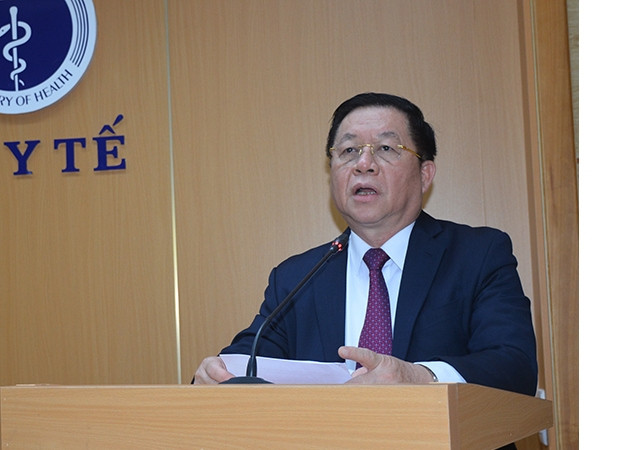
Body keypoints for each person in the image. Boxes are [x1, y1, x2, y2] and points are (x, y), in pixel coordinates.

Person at [193, 92, 538, 397]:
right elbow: (249, 360)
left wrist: (419, 377)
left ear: (425, 174)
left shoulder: (477, 255)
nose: (363, 164)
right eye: (348, 150)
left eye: (386, 149)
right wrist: (215, 375)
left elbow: (514, 367)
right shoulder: (297, 277)